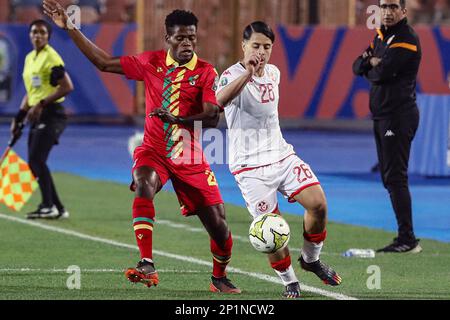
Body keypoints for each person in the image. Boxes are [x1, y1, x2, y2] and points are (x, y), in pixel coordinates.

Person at [43, 0, 241, 293]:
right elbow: (104, 63)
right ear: (168, 38)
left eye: (191, 37)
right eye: (180, 37)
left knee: (220, 227)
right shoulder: (151, 62)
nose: (187, 42)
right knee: (143, 181)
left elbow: (212, 117)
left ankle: (219, 277)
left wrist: (177, 117)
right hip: (154, 150)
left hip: (189, 155)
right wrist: (71, 27)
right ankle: (146, 263)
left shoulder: (206, 72)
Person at [216, 21, 341, 298]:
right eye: (256, 45)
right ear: (244, 46)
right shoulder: (230, 75)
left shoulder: (274, 72)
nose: (261, 52)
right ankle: (290, 281)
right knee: (271, 230)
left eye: (267, 47)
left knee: (318, 203)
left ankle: (310, 260)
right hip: (249, 167)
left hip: (282, 155)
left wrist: (258, 71)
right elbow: (220, 100)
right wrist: (247, 73)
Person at [353, 0, 422, 253]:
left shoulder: (406, 39)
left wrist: (372, 65)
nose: (388, 11)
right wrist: (370, 63)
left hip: (398, 116)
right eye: (384, 7)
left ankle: (407, 239)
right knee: (389, 177)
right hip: (383, 116)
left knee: (395, 176)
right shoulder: (382, 36)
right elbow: (356, 65)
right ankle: (405, 236)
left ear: (404, 11)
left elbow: (381, 74)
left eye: (393, 7)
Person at [10, 19, 73, 220]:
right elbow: (31, 92)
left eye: (42, 33)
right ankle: (57, 207)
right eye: (34, 32)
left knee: (37, 160)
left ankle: (48, 206)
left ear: (48, 36)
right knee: (34, 162)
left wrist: (41, 104)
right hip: (36, 114)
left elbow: (67, 87)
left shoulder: (52, 58)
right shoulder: (30, 58)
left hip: (52, 113)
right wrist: (18, 117)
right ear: (29, 35)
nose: (37, 35)